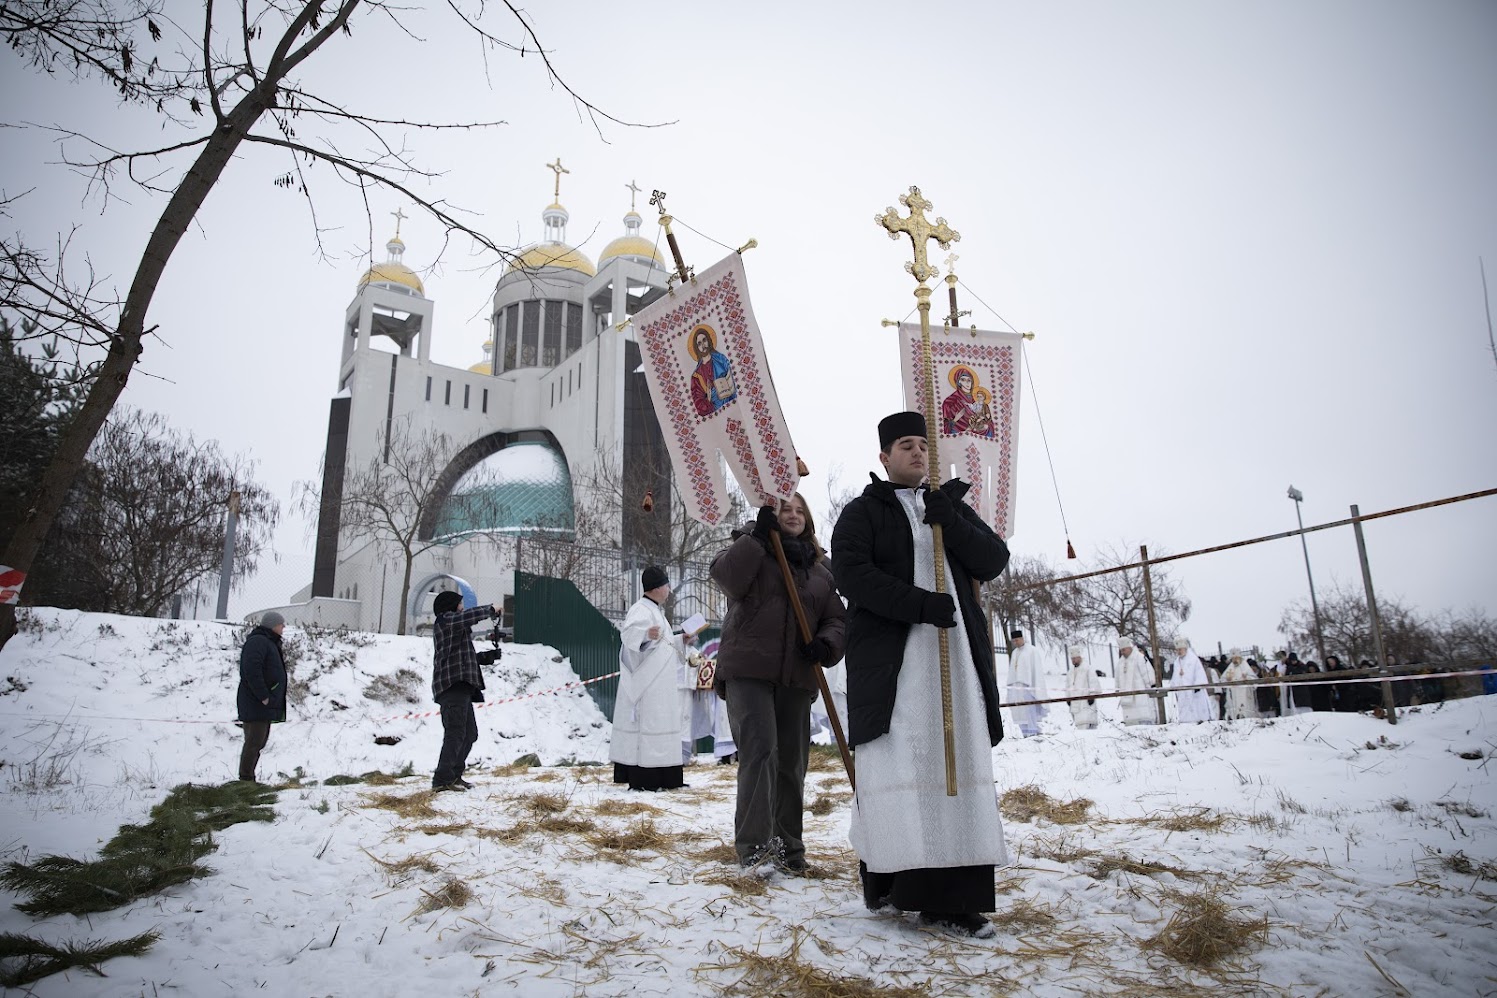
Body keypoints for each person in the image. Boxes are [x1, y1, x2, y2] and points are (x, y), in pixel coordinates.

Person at [831, 410, 1011, 939]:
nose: (916, 452)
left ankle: (954, 898)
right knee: (902, 765)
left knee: (956, 765)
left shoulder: (948, 506)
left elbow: (993, 560)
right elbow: (851, 575)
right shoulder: (863, 512)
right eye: (904, 445)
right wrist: (918, 605)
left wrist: (950, 521)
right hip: (896, 667)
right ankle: (896, 882)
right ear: (884, 457)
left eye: (922, 445)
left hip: (954, 661)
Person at [711, 492, 847, 874]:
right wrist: (757, 538)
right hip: (749, 670)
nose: (793, 514)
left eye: (800, 510)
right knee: (761, 754)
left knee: (791, 763)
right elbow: (727, 578)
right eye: (786, 508)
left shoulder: (821, 571)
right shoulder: (749, 547)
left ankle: (789, 850)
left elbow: (836, 619)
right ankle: (754, 851)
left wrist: (825, 644)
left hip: (797, 676)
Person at [612, 566, 690, 791]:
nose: (669, 590)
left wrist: (680, 640)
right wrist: (645, 634)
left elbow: (661, 645)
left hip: (660, 686)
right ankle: (647, 779)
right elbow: (628, 636)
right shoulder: (640, 610)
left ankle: (667, 778)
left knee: (663, 726)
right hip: (648, 686)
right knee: (650, 727)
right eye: (666, 585)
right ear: (656, 588)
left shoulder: (655, 611)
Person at [431, 590, 502, 792]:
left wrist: (485, 658)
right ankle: (442, 780)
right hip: (452, 687)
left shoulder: (455, 629)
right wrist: (490, 610)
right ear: (451, 606)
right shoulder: (445, 620)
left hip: (461, 688)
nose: (462, 608)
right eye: (460, 604)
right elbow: (467, 617)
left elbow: (461, 658)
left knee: (469, 734)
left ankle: (454, 776)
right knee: (455, 733)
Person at [237, 610, 288, 783]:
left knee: (258, 742)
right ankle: (246, 780)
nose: (283, 627)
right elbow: (252, 671)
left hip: (262, 704)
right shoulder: (258, 642)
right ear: (273, 625)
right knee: (254, 742)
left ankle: (248, 778)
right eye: (281, 624)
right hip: (256, 703)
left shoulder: (269, 642)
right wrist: (264, 696)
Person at [688, 325, 737, 416]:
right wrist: (709, 399)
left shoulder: (721, 359)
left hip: (732, 401)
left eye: (704, 340)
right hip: (717, 412)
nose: (703, 345)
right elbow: (699, 404)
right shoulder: (696, 376)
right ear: (696, 348)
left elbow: (735, 376)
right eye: (699, 344)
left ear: (709, 340)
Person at [1006, 629, 1046, 737]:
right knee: (1019, 710)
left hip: (1028, 686)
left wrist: (1033, 685)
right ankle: (1025, 733)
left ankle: (1033, 732)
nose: (1016, 642)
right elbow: (1012, 671)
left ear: (1022, 638)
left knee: (1029, 709)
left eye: (1017, 640)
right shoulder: (1015, 652)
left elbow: (1036, 670)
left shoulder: (1031, 651)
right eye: (1014, 641)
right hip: (1017, 687)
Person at [1168, 637, 1212, 723]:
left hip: (1194, 692)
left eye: (1180, 649)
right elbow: (1175, 676)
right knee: (1185, 713)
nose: (1179, 652)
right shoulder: (1177, 662)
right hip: (1182, 693)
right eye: (1177, 650)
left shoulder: (1193, 659)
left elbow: (1199, 672)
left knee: (1197, 711)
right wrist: (1174, 686)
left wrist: (1197, 685)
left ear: (1185, 648)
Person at [1116, 636, 1156, 725]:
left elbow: (1147, 673)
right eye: (1121, 650)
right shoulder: (1120, 662)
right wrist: (1117, 688)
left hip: (1140, 696)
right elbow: (1118, 678)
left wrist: (1151, 684)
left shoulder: (1139, 658)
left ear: (1129, 648)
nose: (1122, 652)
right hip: (1127, 700)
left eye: (1124, 650)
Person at [1066, 645, 1100, 730]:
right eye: (1072, 659)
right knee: (1080, 726)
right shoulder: (1070, 672)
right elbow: (1068, 686)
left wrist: (1092, 695)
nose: (1073, 661)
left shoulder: (1087, 668)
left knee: (1088, 724)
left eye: (1075, 658)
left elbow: (1093, 682)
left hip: (1086, 703)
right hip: (1075, 704)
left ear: (1079, 657)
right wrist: (1068, 698)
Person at [1221, 650, 1258, 720]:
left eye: (1236, 658)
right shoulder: (1230, 667)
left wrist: (1247, 678)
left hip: (1244, 693)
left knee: (1245, 710)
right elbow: (1222, 680)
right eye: (1233, 659)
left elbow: (1254, 679)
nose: (1234, 660)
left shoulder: (1245, 667)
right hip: (1233, 693)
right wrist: (1227, 679)